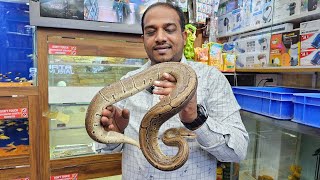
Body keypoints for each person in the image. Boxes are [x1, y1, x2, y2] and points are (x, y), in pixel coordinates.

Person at [95, 2, 249, 180]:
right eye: (151, 32)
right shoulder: (125, 84)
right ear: (143, 39)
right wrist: (115, 133)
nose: (160, 37)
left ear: (184, 36)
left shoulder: (211, 79)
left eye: (169, 29)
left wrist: (195, 119)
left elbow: (237, 152)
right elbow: (103, 150)